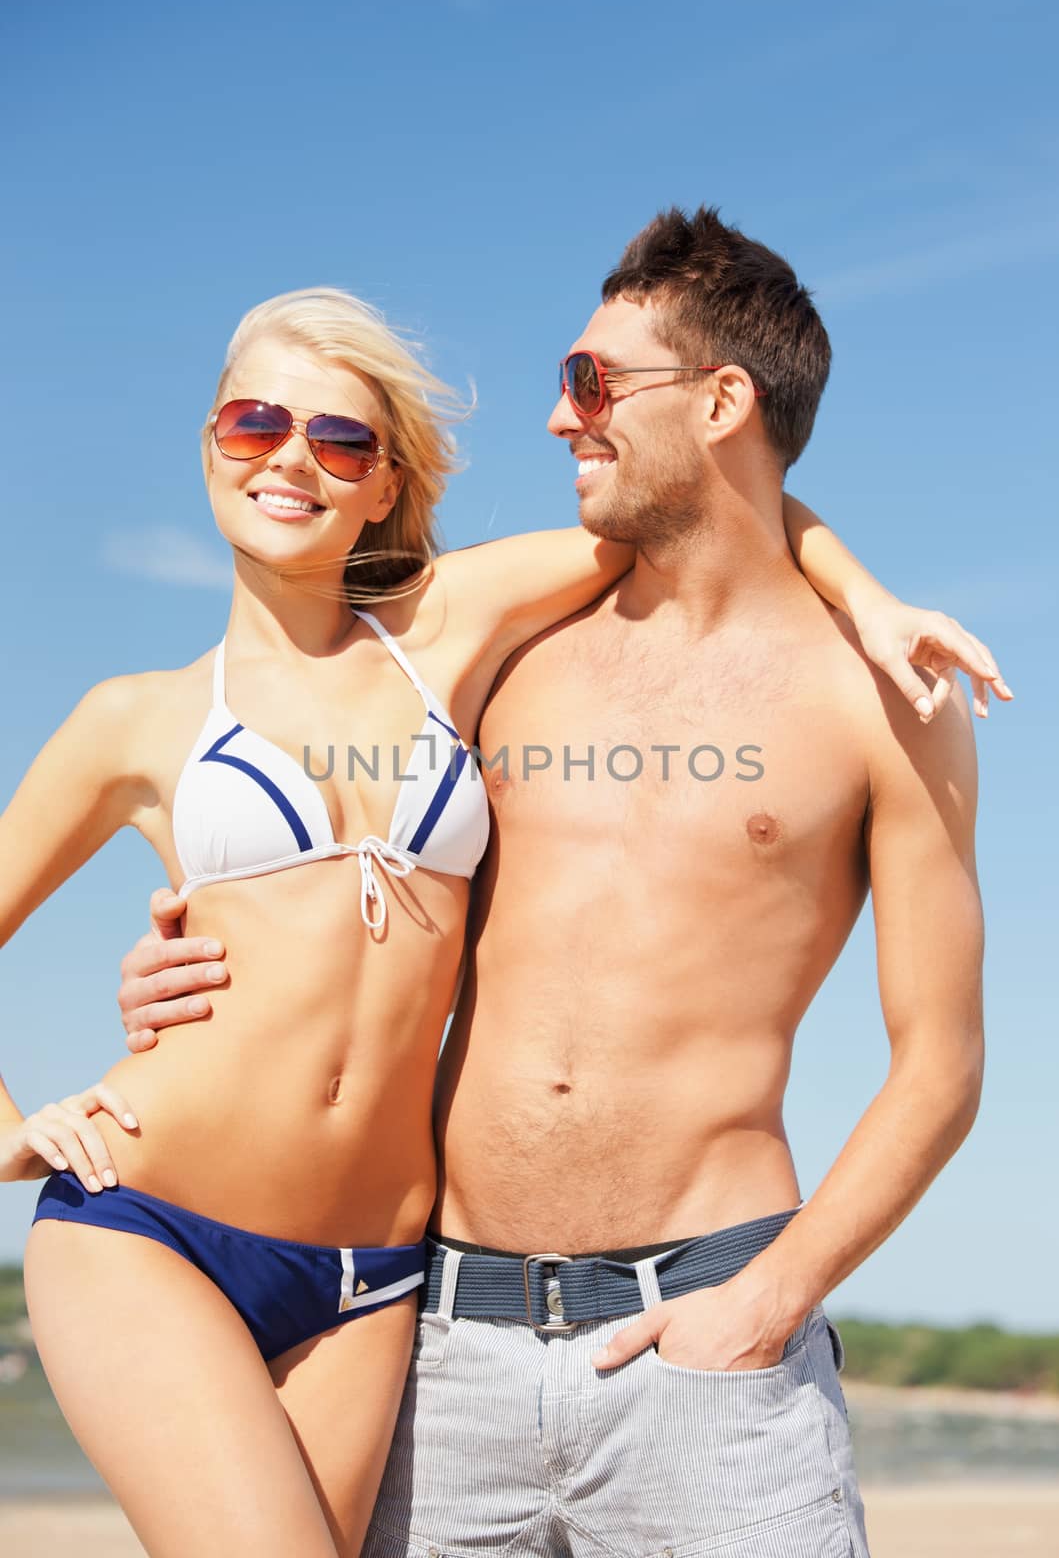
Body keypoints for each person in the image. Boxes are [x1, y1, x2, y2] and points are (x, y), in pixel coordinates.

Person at [113, 211, 1005, 1558]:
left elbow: (941, 1065)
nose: (554, 419)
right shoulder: (500, 640)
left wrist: (763, 1309)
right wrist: (199, 966)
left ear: (720, 401)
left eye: (591, 382)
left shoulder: (883, 698)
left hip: (708, 1349)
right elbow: (319, 818)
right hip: (443, 1348)